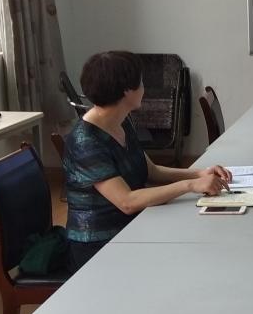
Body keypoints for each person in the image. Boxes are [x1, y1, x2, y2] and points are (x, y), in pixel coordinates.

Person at [63, 51, 231, 271]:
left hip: (133, 226)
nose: (144, 88)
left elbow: (151, 170)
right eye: (141, 82)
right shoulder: (85, 141)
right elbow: (127, 202)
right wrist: (190, 185)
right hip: (99, 246)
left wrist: (200, 173)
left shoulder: (122, 121)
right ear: (127, 91)